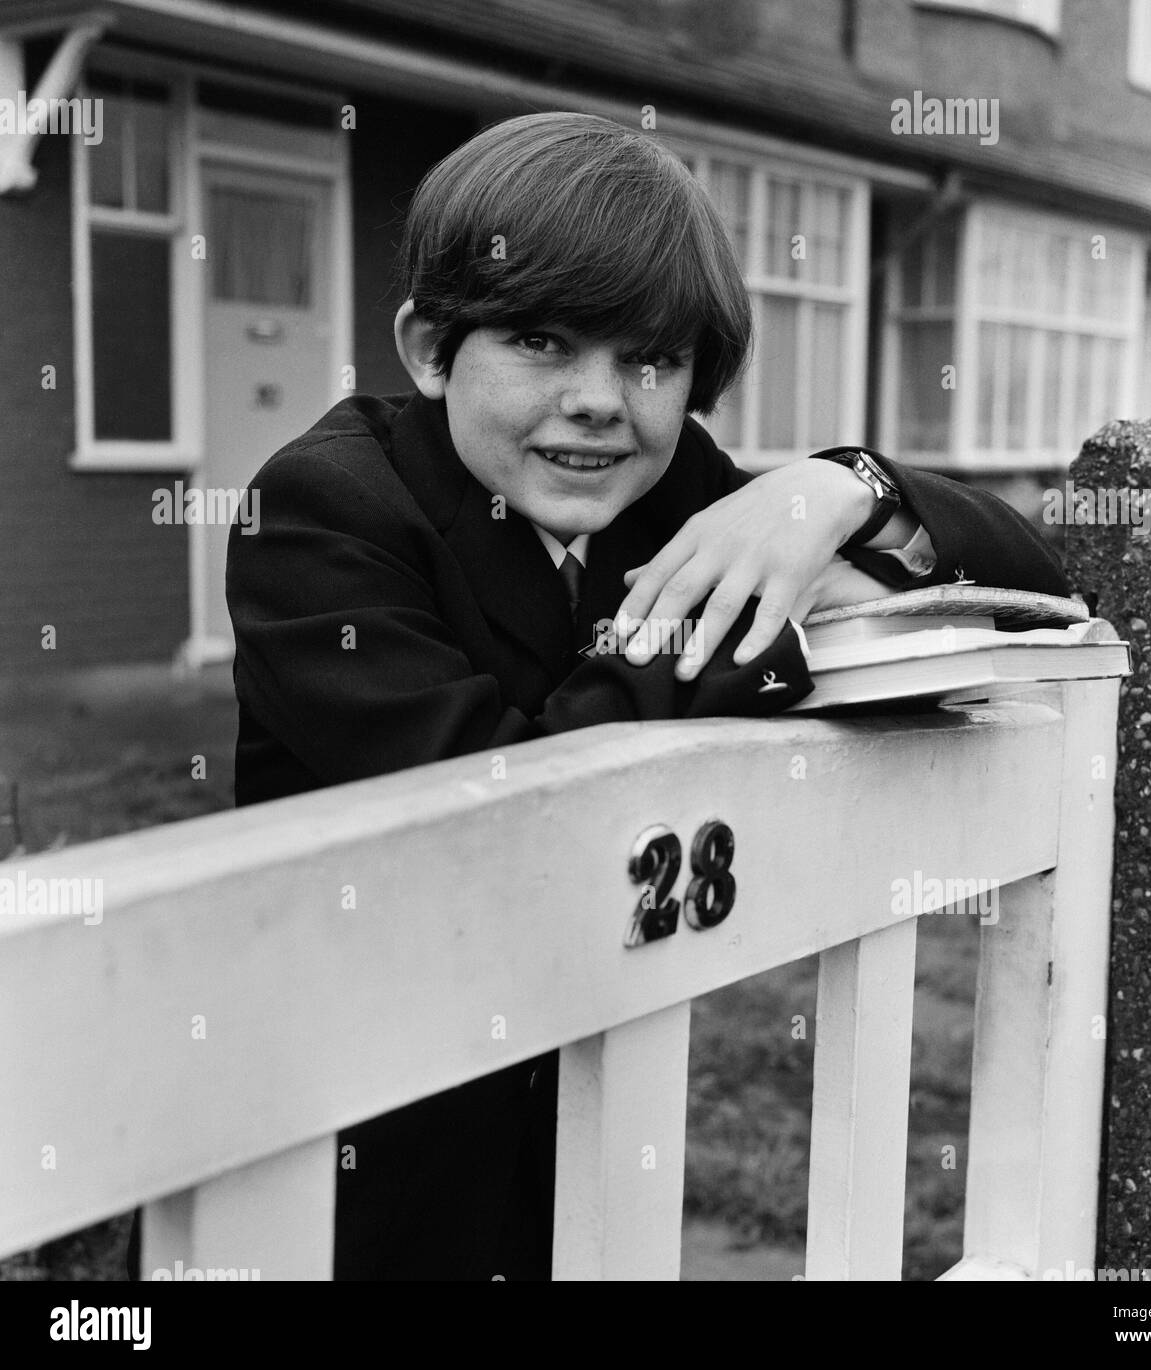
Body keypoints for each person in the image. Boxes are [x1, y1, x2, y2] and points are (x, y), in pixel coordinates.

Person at [214, 111, 1069, 1280]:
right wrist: (755, 630)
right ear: (427, 348)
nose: (599, 400)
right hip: (334, 1139)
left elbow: (1039, 581)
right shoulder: (322, 508)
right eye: (540, 341)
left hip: (581, 1112)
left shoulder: (665, 487)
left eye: (650, 360)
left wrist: (838, 492)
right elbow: (503, 802)